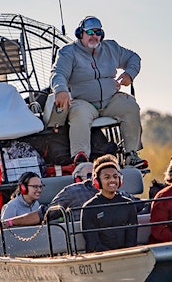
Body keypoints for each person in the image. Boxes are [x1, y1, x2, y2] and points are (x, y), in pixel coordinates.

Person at [50, 15, 146, 169]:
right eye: (90, 32)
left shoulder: (111, 48)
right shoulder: (68, 52)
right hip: (84, 102)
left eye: (98, 32)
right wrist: (61, 90)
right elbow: (58, 73)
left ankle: (131, 154)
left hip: (110, 100)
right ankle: (81, 158)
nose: (94, 36)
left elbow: (134, 58)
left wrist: (129, 74)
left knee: (130, 105)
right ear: (80, 33)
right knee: (79, 113)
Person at [81, 155, 138, 252]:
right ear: (97, 181)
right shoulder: (89, 208)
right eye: (107, 177)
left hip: (126, 256)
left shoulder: (128, 204)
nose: (112, 180)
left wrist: (123, 254)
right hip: (100, 258)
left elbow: (131, 239)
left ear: (120, 180)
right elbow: (93, 243)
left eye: (115, 177)